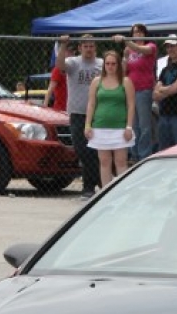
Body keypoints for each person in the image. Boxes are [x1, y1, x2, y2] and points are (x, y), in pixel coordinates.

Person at [59, 34, 102, 199]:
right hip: (77, 113)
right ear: (80, 48)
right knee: (81, 149)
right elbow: (60, 66)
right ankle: (100, 181)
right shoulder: (73, 63)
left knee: (95, 151)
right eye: (86, 46)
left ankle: (89, 187)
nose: (89, 49)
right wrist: (63, 45)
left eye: (91, 46)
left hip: (98, 114)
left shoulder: (102, 65)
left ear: (95, 48)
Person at [85, 50, 135, 191]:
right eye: (107, 63)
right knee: (104, 161)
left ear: (118, 65)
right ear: (104, 65)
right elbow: (91, 104)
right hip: (100, 127)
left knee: (120, 161)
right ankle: (106, 192)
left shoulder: (125, 81)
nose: (110, 66)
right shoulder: (96, 82)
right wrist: (88, 125)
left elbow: (131, 105)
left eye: (113, 63)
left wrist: (129, 127)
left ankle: (123, 192)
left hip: (120, 127)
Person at [114, 24, 156, 161]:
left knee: (144, 126)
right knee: (133, 125)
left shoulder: (151, 46)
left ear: (144, 33)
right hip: (130, 91)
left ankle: (144, 155)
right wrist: (125, 57)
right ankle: (135, 155)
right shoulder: (129, 51)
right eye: (134, 32)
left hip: (144, 90)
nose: (137, 34)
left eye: (139, 32)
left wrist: (125, 40)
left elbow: (139, 49)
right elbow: (123, 70)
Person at [44, 41, 72, 111]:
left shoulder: (74, 67)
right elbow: (50, 90)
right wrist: (45, 107)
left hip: (72, 108)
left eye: (72, 52)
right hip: (61, 109)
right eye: (68, 51)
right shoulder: (58, 69)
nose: (71, 54)